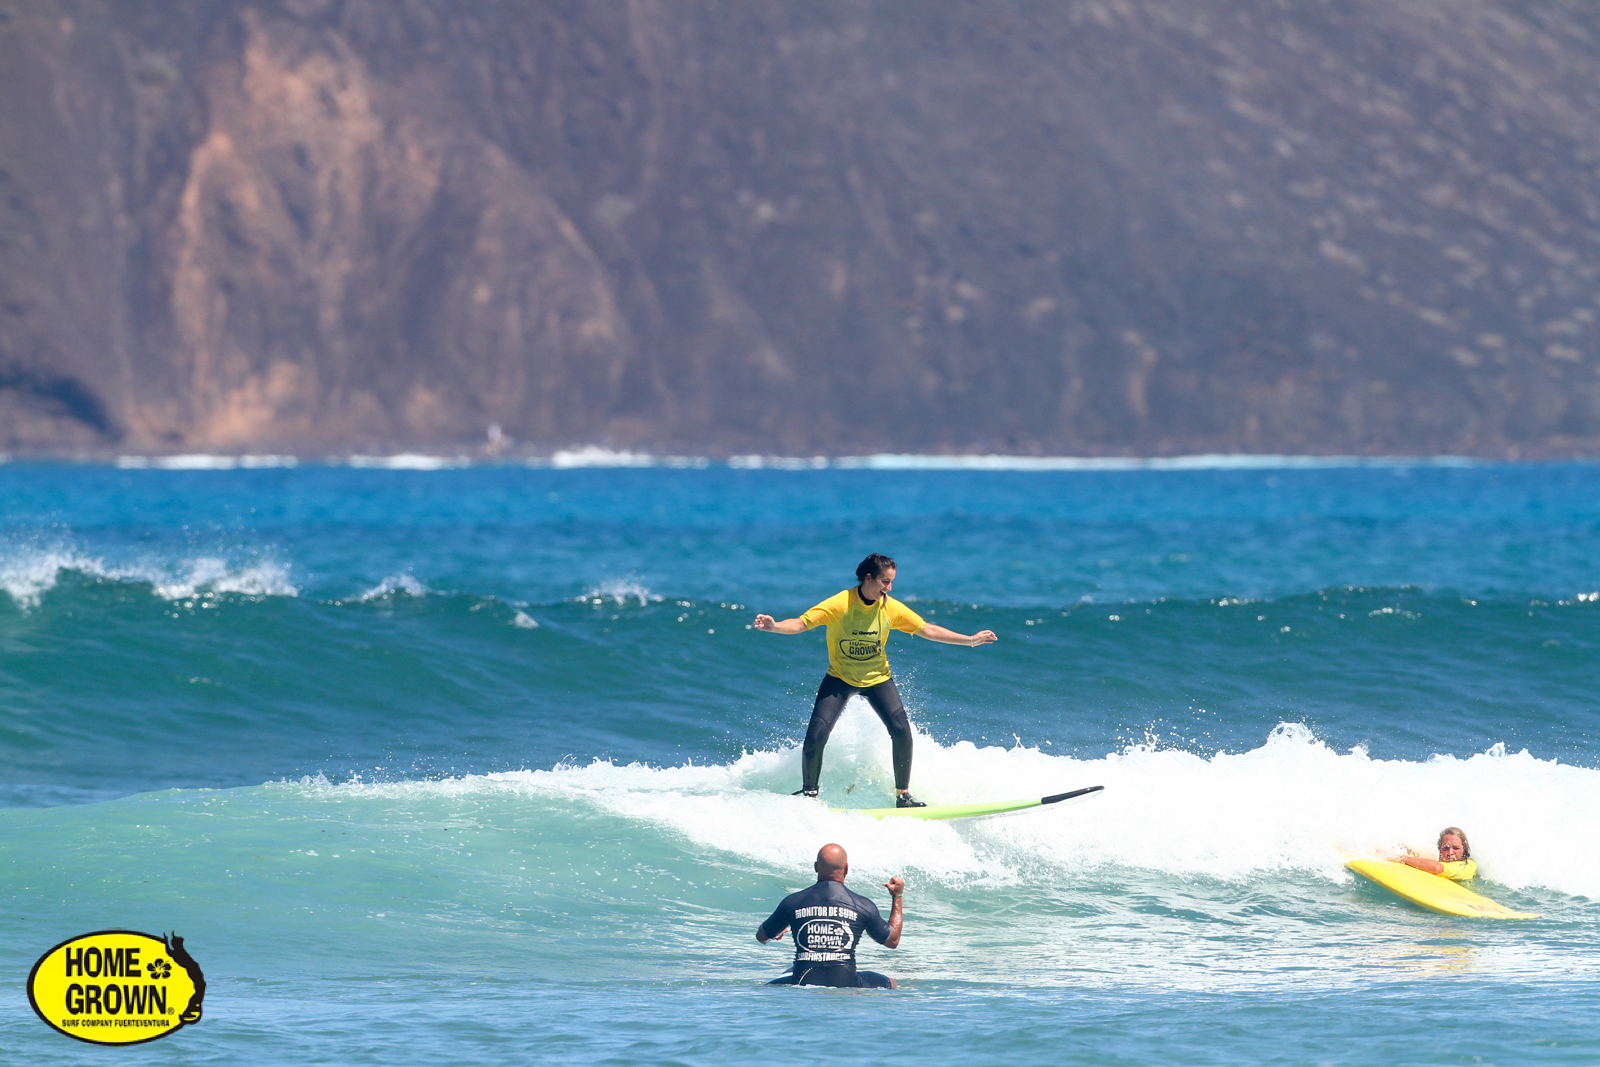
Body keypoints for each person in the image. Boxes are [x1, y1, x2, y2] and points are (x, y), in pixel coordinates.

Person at [753, 553, 996, 807]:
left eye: (891, 582)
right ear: (868, 578)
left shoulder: (890, 607)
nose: (889, 588)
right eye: (885, 581)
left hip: (878, 679)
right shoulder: (840, 604)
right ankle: (809, 795)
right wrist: (775, 626)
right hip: (840, 678)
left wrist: (970, 639)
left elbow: (927, 629)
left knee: (902, 732)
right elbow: (802, 623)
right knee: (816, 736)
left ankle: (903, 795)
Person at [757, 843, 905, 988]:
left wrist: (776, 932)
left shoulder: (792, 902)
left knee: (784, 976)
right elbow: (892, 940)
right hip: (846, 982)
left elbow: (762, 936)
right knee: (891, 982)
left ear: (816, 867)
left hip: (802, 980)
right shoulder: (862, 905)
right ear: (846, 868)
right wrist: (897, 895)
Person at [1394, 826, 1477, 882]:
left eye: (1456, 848)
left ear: (1464, 850)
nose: (1450, 853)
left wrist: (1405, 859)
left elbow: (1437, 868)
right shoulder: (1436, 859)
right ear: (1439, 849)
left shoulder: (1466, 866)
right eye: (1446, 848)